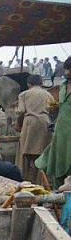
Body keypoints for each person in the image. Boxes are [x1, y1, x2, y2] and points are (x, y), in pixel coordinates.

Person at [35, 57, 71, 187]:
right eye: (67, 69)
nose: (67, 72)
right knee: (58, 163)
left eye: (70, 69)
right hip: (61, 131)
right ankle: (58, 197)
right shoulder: (63, 86)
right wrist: (54, 108)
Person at [15, 74, 55, 171]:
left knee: (24, 153)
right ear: (41, 84)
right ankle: (41, 181)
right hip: (44, 123)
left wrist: (17, 122)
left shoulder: (23, 94)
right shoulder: (48, 94)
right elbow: (53, 109)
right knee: (42, 153)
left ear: (29, 84)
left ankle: (23, 179)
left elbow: (21, 110)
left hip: (29, 123)